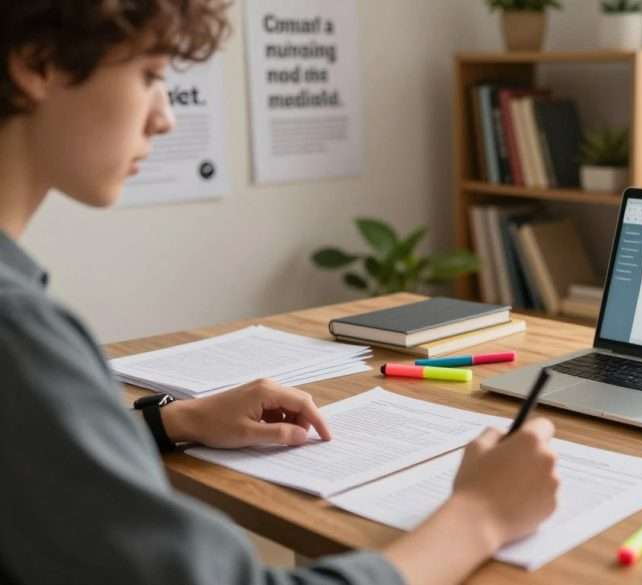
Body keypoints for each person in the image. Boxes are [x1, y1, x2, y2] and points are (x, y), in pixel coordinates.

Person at [0, 2, 560, 585]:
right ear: (39, 64)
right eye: (150, 75)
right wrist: (480, 516)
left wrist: (176, 421)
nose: (164, 117)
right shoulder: (18, 332)